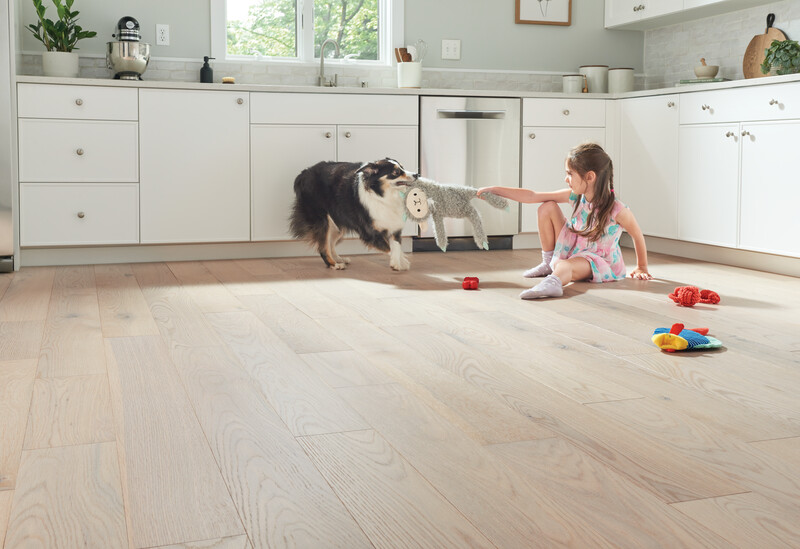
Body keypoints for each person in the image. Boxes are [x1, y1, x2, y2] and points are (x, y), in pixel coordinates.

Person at [476, 142, 652, 299]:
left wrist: (641, 267)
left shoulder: (618, 209)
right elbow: (533, 196)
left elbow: (637, 235)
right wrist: (495, 190)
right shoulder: (577, 197)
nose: (566, 179)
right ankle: (548, 263)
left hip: (596, 259)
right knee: (547, 206)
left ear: (590, 177)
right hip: (574, 246)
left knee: (566, 266)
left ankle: (553, 283)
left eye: (570, 174)